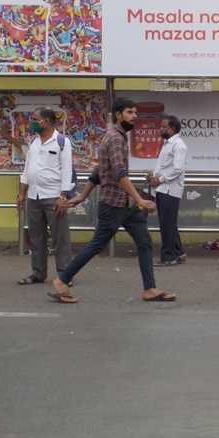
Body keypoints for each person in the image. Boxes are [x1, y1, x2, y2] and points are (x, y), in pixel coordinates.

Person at [48, 97, 176, 303]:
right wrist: (141, 200)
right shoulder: (115, 138)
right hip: (113, 205)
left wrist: (82, 196)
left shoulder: (118, 137)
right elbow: (119, 174)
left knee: (144, 242)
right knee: (96, 245)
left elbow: (99, 171)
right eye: (129, 112)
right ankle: (62, 281)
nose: (134, 116)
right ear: (118, 115)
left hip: (126, 204)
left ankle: (150, 289)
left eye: (135, 112)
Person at [16, 107, 75, 285]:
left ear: (46, 121)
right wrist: (22, 193)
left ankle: (65, 275)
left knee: (60, 239)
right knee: (36, 237)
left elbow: (67, 171)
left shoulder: (62, 142)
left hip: (54, 196)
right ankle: (38, 273)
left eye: (35, 119)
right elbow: (28, 169)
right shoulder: (34, 141)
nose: (32, 122)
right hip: (34, 196)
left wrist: (63, 196)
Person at [146, 115, 188, 267]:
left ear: (172, 129)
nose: (160, 129)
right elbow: (165, 166)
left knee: (166, 225)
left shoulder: (179, 145)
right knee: (169, 223)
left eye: (163, 127)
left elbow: (178, 168)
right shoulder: (168, 144)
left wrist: (160, 179)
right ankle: (179, 252)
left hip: (170, 189)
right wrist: (153, 175)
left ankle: (168, 257)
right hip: (163, 188)